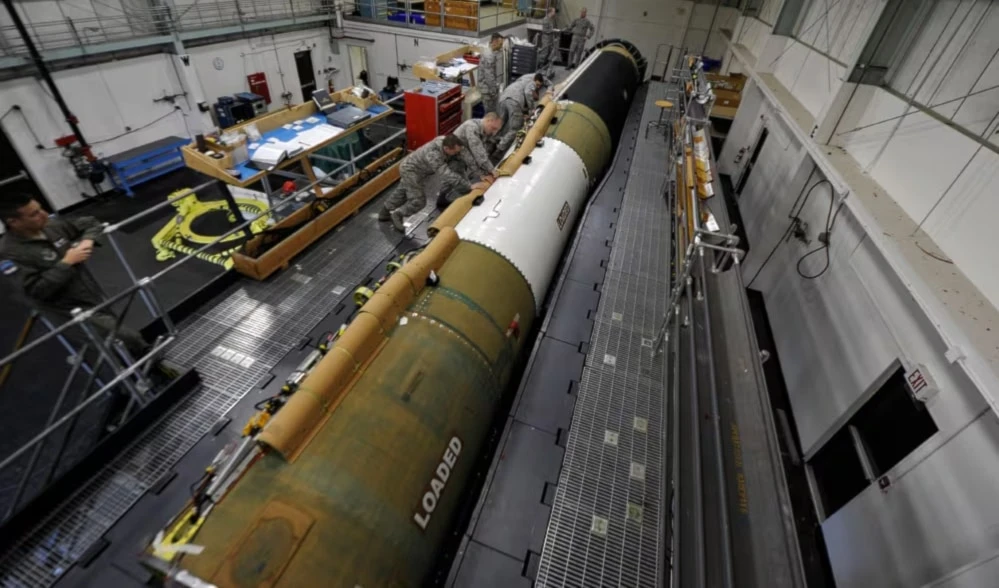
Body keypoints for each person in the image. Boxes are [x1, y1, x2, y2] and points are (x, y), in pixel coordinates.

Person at [0, 192, 149, 359]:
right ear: (13, 222)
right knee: (128, 338)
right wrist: (66, 263)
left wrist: (87, 241)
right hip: (69, 310)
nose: (43, 214)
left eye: (40, 208)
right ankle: (152, 365)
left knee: (117, 340)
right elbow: (36, 291)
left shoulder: (50, 226)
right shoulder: (9, 253)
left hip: (91, 293)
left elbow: (91, 223)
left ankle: (138, 366)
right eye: (34, 214)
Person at [379, 135, 490, 232]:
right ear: (446, 148)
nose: (457, 153)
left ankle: (384, 213)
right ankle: (398, 214)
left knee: (402, 192)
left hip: (418, 169)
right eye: (455, 152)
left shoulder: (446, 141)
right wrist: (469, 185)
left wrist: (480, 173)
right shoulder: (434, 154)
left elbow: (465, 156)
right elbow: (447, 174)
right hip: (411, 170)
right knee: (418, 201)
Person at [441, 113, 503, 208]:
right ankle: (442, 201)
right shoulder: (472, 127)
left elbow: (480, 151)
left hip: (463, 155)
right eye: (493, 128)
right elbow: (477, 154)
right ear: (488, 121)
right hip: (454, 157)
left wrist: (484, 172)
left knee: (462, 179)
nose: (493, 132)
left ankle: (453, 198)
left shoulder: (483, 129)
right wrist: (489, 171)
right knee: (455, 178)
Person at [494, 73, 546, 156]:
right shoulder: (532, 83)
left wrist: (524, 112)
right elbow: (528, 93)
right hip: (514, 101)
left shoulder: (522, 80)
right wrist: (532, 110)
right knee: (515, 128)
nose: (538, 87)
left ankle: (492, 143)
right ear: (535, 80)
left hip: (503, 99)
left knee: (500, 124)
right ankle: (499, 149)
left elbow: (524, 99)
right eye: (538, 85)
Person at [478, 33, 505, 115]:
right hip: (487, 90)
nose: (501, 46)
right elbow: (489, 76)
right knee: (490, 114)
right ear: (495, 42)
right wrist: (494, 92)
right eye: (500, 44)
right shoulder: (488, 55)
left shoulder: (493, 52)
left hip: (491, 89)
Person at [537, 7, 560, 76]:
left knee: (549, 52)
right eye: (554, 11)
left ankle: (545, 66)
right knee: (545, 52)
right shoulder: (545, 19)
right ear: (550, 12)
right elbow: (544, 30)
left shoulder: (551, 19)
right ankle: (540, 65)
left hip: (550, 38)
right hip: (546, 38)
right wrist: (553, 30)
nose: (554, 13)